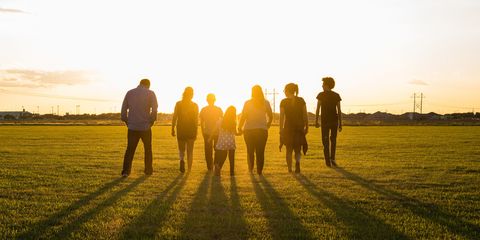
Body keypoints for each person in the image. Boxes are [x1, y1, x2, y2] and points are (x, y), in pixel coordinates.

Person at [120, 79, 158, 177]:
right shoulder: (151, 93)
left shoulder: (130, 93)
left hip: (132, 126)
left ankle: (125, 171)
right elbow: (154, 109)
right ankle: (148, 170)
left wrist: (126, 121)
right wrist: (152, 121)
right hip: (145, 126)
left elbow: (123, 109)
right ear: (148, 85)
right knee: (148, 149)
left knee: (130, 149)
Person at [238, 85, 273, 175]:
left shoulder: (248, 103)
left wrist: (239, 127)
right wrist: (267, 125)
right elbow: (270, 116)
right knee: (260, 152)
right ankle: (259, 171)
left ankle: (250, 169)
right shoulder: (266, 103)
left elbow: (243, 117)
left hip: (249, 130)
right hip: (262, 130)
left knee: (250, 151)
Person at [279, 83, 309, 173]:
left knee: (288, 150)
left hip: (288, 128)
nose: (284, 92)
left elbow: (281, 117)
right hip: (299, 128)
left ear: (288, 91)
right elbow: (305, 115)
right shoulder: (301, 100)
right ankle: (298, 163)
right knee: (297, 149)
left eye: (284, 90)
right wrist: (306, 127)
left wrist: (281, 129)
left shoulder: (283, 102)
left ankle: (289, 169)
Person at [315, 77, 342, 167]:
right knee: (333, 141)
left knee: (325, 141)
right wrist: (340, 124)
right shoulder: (336, 95)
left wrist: (316, 121)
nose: (322, 86)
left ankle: (328, 161)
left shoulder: (321, 95)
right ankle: (332, 159)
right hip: (334, 121)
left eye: (323, 84)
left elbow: (318, 108)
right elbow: (339, 111)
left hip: (325, 122)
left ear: (326, 85)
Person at [172, 87, 198, 173]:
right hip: (191, 129)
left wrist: (172, 128)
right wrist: (196, 131)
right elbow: (196, 120)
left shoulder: (178, 104)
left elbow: (175, 117)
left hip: (181, 128)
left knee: (181, 149)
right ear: (192, 95)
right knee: (190, 150)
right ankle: (189, 170)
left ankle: (182, 160)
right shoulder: (194, 105)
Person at [213, 106, 239, 176]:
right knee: (231, 158)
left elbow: (215, 130)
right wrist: (241, 133)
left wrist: (210, 137)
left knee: (223, 156)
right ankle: (232, 172)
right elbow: (236, 133)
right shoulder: (233, 122)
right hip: (231, 142)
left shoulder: (220, 121)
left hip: (222, 142)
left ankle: (218, 167)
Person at [199, 93, 223, 171]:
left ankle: (209, 167)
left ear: (207, 100)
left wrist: (202, 131)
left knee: (208, 150)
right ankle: (216, 163)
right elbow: (222, 121)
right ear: (214, 100)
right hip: (217, 132)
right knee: (217, 149)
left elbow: (201, 122)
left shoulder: (203, 109)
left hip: (207, 132)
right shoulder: (218, 109)